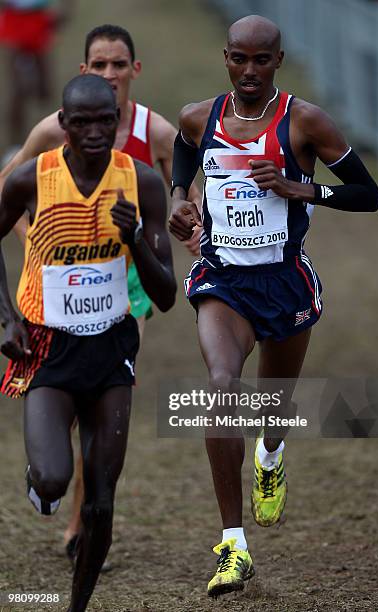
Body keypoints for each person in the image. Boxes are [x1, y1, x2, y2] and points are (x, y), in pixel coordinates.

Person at [169, 14, 378, 598]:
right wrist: (177, 200)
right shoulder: (200, 115)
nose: (250, 71)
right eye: (240, 58)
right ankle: (233, 545)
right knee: (221, 387)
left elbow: (369, 195)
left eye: (262, 60)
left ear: (278, 61)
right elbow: (185, 155)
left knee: (272, 408)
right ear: (226, 56)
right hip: (224, 281)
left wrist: (301, 188)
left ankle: (271, 454)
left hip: (284, 282)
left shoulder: (305, 121)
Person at [0, 23, 200, 563]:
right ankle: (50, 477)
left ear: (135, 70)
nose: (110, 74)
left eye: (119, 65)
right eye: (100, 65)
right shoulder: (50, 131)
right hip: (60, 274)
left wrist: (186, 222)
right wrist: (31, 239)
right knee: (63, 407)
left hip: (128, 278)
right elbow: (10, 192)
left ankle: (84, 522)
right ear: (83, 71)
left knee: (103, 401)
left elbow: (181, 197)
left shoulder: (155, 132)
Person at [0, 0, 72, 149]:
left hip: (39, 17)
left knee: (44, 89)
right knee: (16, 90)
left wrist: (66, 8)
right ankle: (15, 146)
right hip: (14, 17)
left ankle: (51, 138)